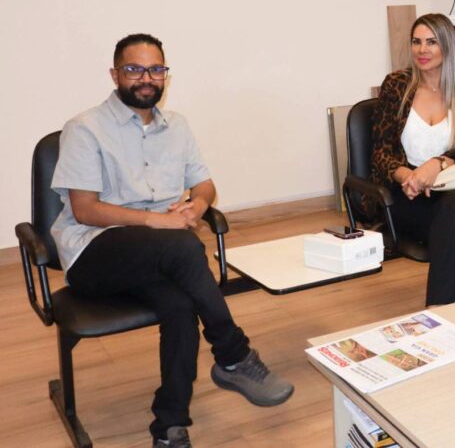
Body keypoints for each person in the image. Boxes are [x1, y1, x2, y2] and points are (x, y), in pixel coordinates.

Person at [50, 34, 294, 448]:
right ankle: (233, 354)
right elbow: (85, 209)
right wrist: (156, 221)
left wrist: (198, 205)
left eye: (156, 69)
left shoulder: (177, 126)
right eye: (134, 69)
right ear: (115, 74)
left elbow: (204, 182)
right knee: (183, 246)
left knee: (180, 306)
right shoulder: (85, 128)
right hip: (95, 254)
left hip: (156, 256)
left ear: (165, 75)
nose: (146, 78)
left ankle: (169, 427)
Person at [370, 12, 455, 306]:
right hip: (407, 193)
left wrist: (437, 164)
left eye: (431, 42)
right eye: (416, 42)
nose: (422, 50)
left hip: (451, 186)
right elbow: (380, 152)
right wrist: (409, 177)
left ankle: (442, 308)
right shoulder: (396, 86)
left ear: (447, 46)